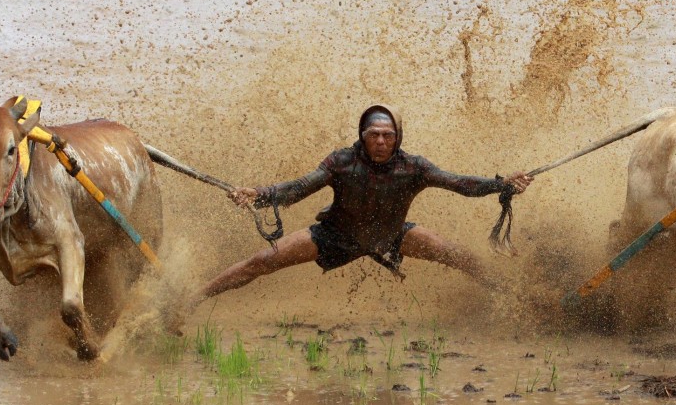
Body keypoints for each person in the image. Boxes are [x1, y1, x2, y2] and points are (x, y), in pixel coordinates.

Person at [197, 104, 533, 301]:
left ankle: (513, 300)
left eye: (388, 135)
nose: (381, 141)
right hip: (333, 235)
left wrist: (501, 184)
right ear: (363, 136)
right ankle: (191, 300)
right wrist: (259, 194)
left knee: (460, 256)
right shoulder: (341, 162)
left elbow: (459, 183)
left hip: (392, 234)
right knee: (260, 261)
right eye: (374, 135)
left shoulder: (413, 166)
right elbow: (300, 187)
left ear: (397, 138)